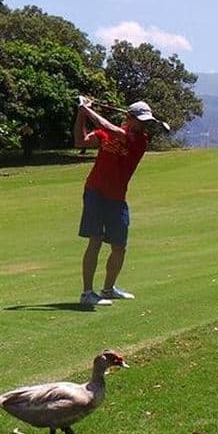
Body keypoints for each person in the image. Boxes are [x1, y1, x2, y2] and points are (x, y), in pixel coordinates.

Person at [73, 97, 153, 306]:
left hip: (117, 198)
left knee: (119, 246)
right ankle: (87, 293)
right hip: (95, 192)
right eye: (141, 121)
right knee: (95, 240)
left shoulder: (140, 140)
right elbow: (80, 141)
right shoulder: (105, 134)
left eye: (146, 122)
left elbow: (110, 128)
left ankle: (108, 289)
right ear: (129, 117)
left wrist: (86, 109)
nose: (144, 125)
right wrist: (81, 114)